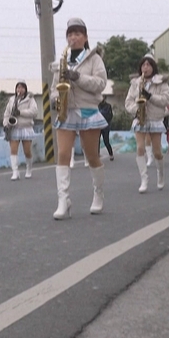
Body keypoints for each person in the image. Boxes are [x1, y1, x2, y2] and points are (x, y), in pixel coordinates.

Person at [50, 18, 109, 219]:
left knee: (92, 155)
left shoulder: (94, 59)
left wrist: (77, 77)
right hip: (66, 111)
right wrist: (56, 99)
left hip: (87, 110)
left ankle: (98, 193)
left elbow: (101, 84)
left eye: (77, 34)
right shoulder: (62, 61)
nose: (73, 38)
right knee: (63, 154)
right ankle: (63, 200)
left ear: (85, 37)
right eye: (70, 34)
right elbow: (53, 89)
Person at [125, 53, 169, 193]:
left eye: (149, 64)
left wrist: (150, 96)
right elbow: (128, 102)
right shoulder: (135, 83)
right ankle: (144, 179)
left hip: (155, 118)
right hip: (140, 119)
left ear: (153, 67)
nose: (146, 67)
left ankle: (160, 174)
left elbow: (166, 100)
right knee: (140, 148)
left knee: (157, 152)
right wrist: (136, 110)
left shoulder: (161, 82)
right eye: (143, 65)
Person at [3, 81, 39, 180]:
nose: (20, 90)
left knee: (27, 151)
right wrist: (6, 124)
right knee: (13, 150)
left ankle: (29, 169)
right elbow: (6, 113)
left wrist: (20, 112)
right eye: (18, 88)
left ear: (25, 89)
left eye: (22, 88)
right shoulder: (12, 100)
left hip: (26, 127)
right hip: (14, 127)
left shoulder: (30, 99)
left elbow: (34, 112)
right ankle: (15, 172)